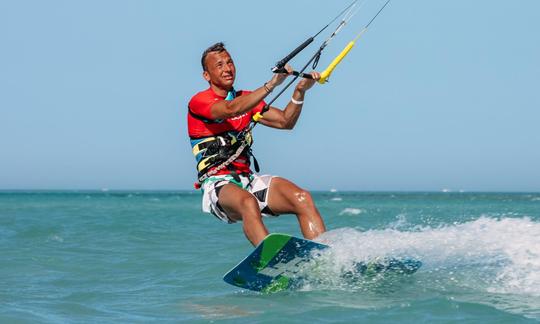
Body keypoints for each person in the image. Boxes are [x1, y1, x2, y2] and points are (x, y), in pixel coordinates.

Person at [187, 42, 326, 246]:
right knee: (247, 202)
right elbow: (230, 109)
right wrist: (271, 84)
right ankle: (270, 264)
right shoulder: (200, 102)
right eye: (219, 65)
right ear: (206, 75)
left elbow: (285, 121)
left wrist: (300, 91)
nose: (227, 68)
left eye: (230, 62)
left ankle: (325, 261)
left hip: (248, 181)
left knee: (302, 198)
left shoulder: (246, 98)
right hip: (217, 185)